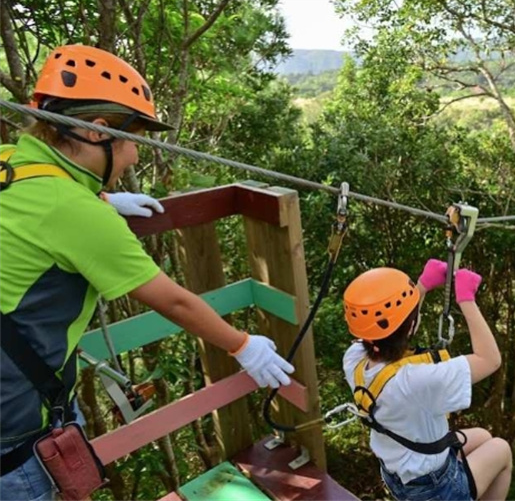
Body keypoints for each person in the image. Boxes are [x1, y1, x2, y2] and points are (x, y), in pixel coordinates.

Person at [0, 44, 294, 501]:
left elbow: (39, 204)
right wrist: (243, 345)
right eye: (132, 139)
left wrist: (104, 201)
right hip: (14, 434)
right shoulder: (74, 213)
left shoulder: (9, 163)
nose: (135, 157)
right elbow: (172, 300)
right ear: (97, 132)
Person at [342, 259, 513, 500]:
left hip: (397, 474)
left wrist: (422, 285)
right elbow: (490, 359)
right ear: (412, 326)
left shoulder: (354, 359)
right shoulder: (417, 381)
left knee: (484, 437)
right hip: (434, 490)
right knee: (501, 450)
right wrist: (466, 300)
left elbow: (395, 326)